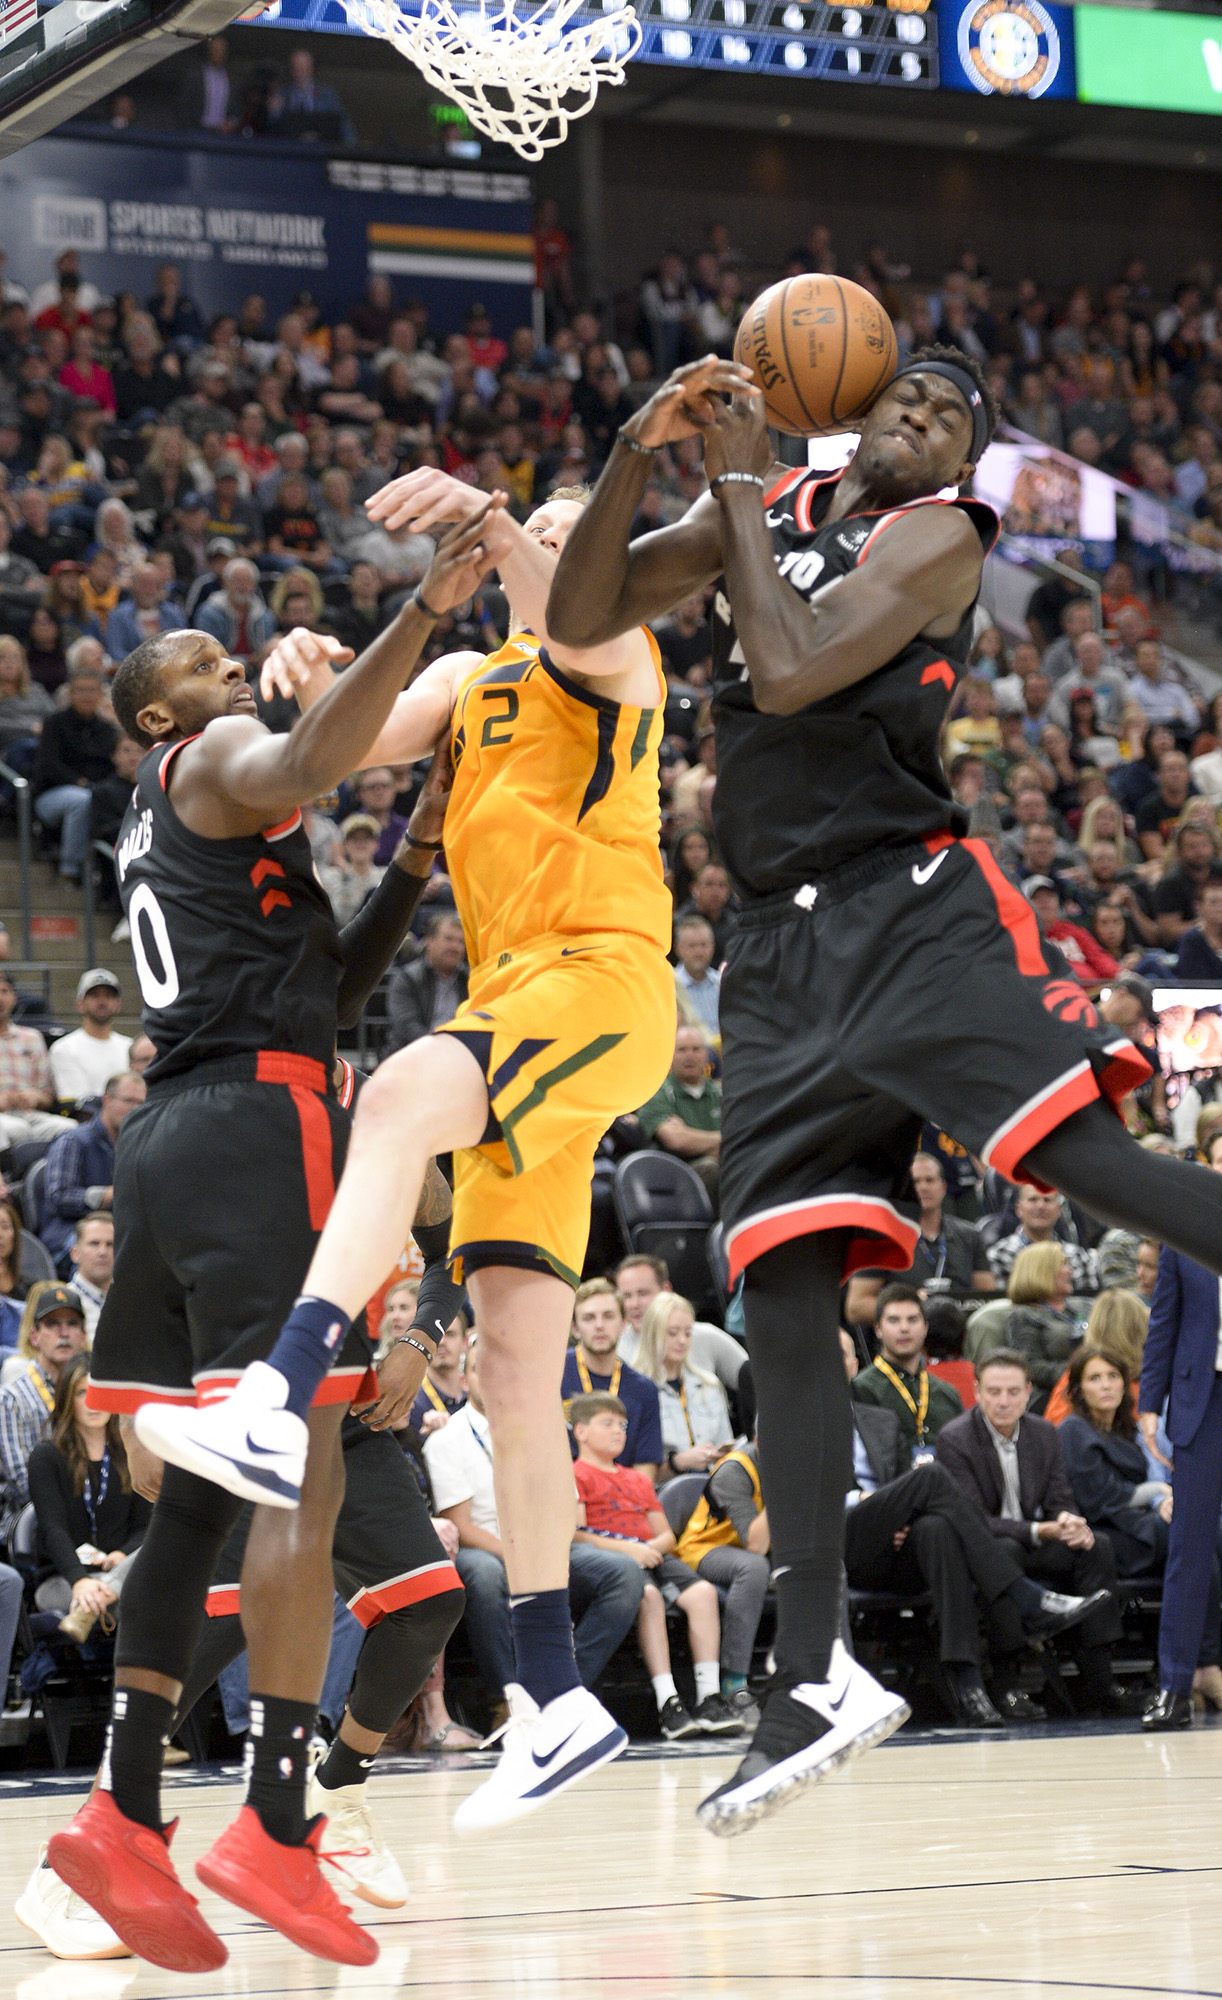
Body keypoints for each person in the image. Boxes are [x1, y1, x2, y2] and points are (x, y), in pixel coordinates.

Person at [548, 342, 1212, 1828]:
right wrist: (636, 449)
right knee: (779, 1296)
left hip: (906, 910)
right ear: (852, 407)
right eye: (905, 394)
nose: (921, 419)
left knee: (1087, 1166)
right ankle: (811, 1674)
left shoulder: (936, 539)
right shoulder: (766, 497)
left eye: (951, 419)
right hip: (777, 962)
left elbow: (782, 668)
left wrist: (721, 477)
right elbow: (588, 608)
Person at [43, 511, 498, 1973]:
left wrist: (416, 855)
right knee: (297, 1456)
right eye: (201, 660)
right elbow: (303, 758)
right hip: (255, 1132)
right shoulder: (211, 757)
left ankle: (120, 1815)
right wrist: (424, 610)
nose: (230, 659)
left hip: (179, 1137)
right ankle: (281, 1820)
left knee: (200, 1493)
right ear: (162, 716)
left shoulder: (194, 827)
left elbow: (327, 979)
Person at [231, 477, 676, 1832]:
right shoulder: (481, 673)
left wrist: (499, 530)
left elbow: (573, 605)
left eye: (564, 529)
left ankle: (282, 1376)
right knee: (516, 1369)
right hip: (512, 1003)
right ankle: (550, 1701)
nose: (546, 543)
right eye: (535, 528)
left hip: (601, 981)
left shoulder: (616, 651)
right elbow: (350, 743)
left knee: (407, 1087)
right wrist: (303, 669)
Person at [840, 1331, 1095, 1726]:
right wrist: (881, 1507)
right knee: (932, 1477)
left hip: (893, 1541)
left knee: (937, 1529)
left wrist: (902, 1517)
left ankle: (969, 1681)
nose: (834, 1364)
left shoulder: (880, 1419)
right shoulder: (789, 1421)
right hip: (838, 1539)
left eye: (841, 1356)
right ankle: (1026, 1596)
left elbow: (895, 1480)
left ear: (855, 1364)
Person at [424, 1345, 645, 1710]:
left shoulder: (543, 1431)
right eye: (481, 1370)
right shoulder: (447, 1440)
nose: (493, 1380)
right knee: (484, 1572)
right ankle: (507, 1698)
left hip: (546, 1545)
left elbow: (564, 1509)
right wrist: (515, 1554)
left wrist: (544, 1550)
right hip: (484, 1549)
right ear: (465, 1380)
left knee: (623, 1573)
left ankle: (562, 1689)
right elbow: (459, 1526)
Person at [937, 1350, 1121, 1718]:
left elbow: (1060, 1500)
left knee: (1096, 1546)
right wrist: (1040, 1529)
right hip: (985, 1550)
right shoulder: (955, 1439)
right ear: (976, 1391)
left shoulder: (1044, 1433)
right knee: (1004, 1550)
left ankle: (1100, 1680)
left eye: (1012, 1392)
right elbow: (973, 1520)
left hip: (1035, 1539)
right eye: (993, 1392)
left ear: (1027, 1392)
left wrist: (1071, 1523)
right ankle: (1008, 1686)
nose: (1003, 1401)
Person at [570, 1392, 738, 1737]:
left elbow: (666, 1535)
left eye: (623, 1424)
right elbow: (578, 1534)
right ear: (581, 1432)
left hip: (652, 1553)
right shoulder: (576, 1474)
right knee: (649, 1598)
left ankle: (708, 1696)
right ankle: (668, 1701)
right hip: (618, 1562)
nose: (619, 1431)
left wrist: (649, 1547)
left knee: (704, 1593)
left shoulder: (637, 1479)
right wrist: (631, 1550)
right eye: (608, 1423)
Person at [1138, 1227, 1222, 1728]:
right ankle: (1174, 1687)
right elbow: (1162, 1321)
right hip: (1203, 1400)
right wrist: (1149, 1402)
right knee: (1189, 1547)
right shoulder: (1183, 1229)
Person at [28, 1352, 150, 1644]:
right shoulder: (46, 1457)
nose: (94, 1402)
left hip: (121, 1574)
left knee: (159, 1546)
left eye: (100, 1392)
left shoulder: (130, 1453)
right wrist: (79, 1580)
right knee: (143, 1600)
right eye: (83, 1392)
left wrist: (122, 1556)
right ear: (68, 1399)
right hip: (63, 1579)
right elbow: (52, 1529)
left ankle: (109, 1591)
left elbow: (146, 1527)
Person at [674, 1437, 769, 1724]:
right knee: (753, 1567)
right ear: (759, 1438)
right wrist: (784, 1486)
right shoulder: (735, 1468)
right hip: (703, 1550)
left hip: (754, 1552)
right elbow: (756, 1545)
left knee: (826, 1567)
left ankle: (833, 1677)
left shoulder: (804, 1464)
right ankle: (733, 1682)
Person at [0, 1284, 90, 1542]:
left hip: (93, 1516)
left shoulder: (95, 1392)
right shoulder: (12, 1398)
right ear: (34, 1336)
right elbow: (22, 1485)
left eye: (72, 1323)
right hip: (34, 1526)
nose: (64, 1333)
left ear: (83, 1336)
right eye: (52, 1324)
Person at [40, 1071, 147, 1275]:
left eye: (140, 1103)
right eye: (128, 1101)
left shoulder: (139, 1146)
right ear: (107, 1100)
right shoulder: (74, 1141)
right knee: (100, 1253)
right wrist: (106, 1196)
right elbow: (59, 1197)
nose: (135, 1109)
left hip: (119, 1232)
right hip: (71, 1232)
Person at [562, 1279, 662, 1477]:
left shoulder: (644, 1390)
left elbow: (645, 1471)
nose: (599, 1326)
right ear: (575, 1328)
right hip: (565, 1492)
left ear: (624, 1323)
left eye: (608, 1317)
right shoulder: (553, 1374)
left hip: (621, 1499)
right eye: (589, 1318)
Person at [851, 1285, 964, 1455]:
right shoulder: (861, 1389)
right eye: (894, 1320)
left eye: (912, 1320)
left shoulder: (947, 1393)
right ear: (878, 1329)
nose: (904, 1328)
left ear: (925, 1327)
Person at [32, 665, 119, 883]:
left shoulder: (108, 729)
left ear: (100, 695)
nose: (86, 695)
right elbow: (49, 764)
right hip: (51, 796)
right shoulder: (54, 723)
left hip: (96, 792)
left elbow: (112, 766)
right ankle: (69, 870)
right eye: (81, 690)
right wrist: (79, 782)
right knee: (81, 801)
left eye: (92, 690)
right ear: (70, 693)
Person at [634, 1290, 733, 1474]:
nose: (682, 1341)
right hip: (664, 1493)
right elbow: (633, 1472)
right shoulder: (635, 1390)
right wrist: (680, 1462)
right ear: (652, 1334)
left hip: (715, 1486)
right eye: (672, 1333)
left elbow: (727, 1449)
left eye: (688, 1333)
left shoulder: (708, 1385)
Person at [636, 1024, 721, 1201]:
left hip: (723, 1164)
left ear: (706, 1054)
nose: (689, 1056)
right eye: (681, 1050)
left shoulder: (720, 1093)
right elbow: (676, 1140)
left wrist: (691, 1137)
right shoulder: (656, 1093)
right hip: (676, 1178)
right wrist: (723, 1138)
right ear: (670, 1055)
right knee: (711, 1167)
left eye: (696, 1049)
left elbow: (742, 1139)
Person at [894, 1151, 994, 1298]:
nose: (923, 1187)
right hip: (906, 1318)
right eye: (916, 1181)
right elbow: (857, 1306)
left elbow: (988, 1296)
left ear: (943, 1187)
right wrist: (910, 1302)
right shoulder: (887, 1237)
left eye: (929, 1180)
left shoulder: (970, 1235)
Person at [1003, 1242, 1084, 1415]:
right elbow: (1030, 1366)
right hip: (1051, 1396)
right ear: (1042, 1270)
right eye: (1063, 1264)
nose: (1070, 1270)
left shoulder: (1084, 1306)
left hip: (1094, 1387)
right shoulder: (1023, 1315)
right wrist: (1079, 1375)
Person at [0, 971, 76, 1151]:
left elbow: (48, 1095)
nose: (0, 998)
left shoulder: (32, 1038)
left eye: (4, 991)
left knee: (70, 1129)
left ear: (14, 998)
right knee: (15, 1130)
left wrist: (35, 1097)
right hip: (4, 1120)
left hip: (31, 1116)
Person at [987, 1185, 1096, 1295]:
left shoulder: (1078, 1256)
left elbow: (1087, 1302)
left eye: (1047, 1200)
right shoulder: (999, 1255)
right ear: (1018, 1209)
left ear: (1059, 1210)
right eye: (1033, 1199)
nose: (1040, 1206)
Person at [49, 970, 133, 1106]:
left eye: (109, 996)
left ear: (118, 1004)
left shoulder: (130, 1047)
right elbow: (78, 1101)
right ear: (80, 1004)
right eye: (94, 996)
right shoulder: (64, 1048)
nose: (102, 1001)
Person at [385, 914, 468, 1049]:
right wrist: (441, 1049)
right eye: (449, 939)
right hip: (415, 1055)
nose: (455, 947)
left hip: (462, 1055)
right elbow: (407, 1028)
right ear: (430, 941)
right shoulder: (407, 978)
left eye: (461, 942)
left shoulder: (470, 980)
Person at [408, 1306, 468, 1435]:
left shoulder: (477, 1396)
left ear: (465, 1342)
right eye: (435, 1335)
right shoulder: (410, 1402)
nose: (441, 1342)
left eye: (450, 1334)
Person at [672, 914, 721, 1050]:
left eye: (703, 945)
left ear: (713, 946)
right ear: (678, 948)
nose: (698, 952)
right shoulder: (669, 987)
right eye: (692, 946)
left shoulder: (722, 983)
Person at [66, 1212, 113, 1336]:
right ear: (75, 1253)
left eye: (110, 1244)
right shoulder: (62, 1304)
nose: (103, 1252)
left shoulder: (134, 1303)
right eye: (94, 1243)